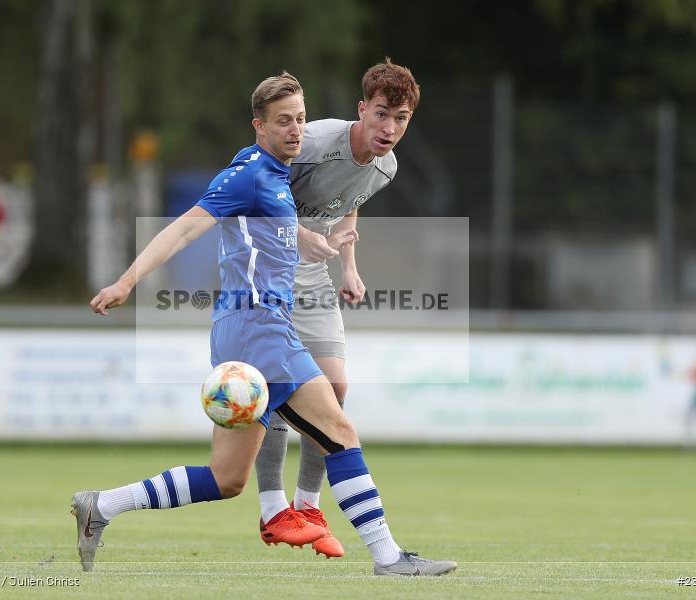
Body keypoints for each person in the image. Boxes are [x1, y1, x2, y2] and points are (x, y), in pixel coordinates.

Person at [73, 72, 455, 577]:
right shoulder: (250, 173)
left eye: (300, 118)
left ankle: (101, 506)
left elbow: (301, 224)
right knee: (338, 427)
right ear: (259, 126)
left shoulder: (277, 174)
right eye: (284, 122)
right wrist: (126, 282)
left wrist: (317, 247)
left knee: (227, 478)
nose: (297, 129)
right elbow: (186, 227)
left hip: (248, 326)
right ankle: (387, 556)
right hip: (259, 325)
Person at [254, 58, 420, 559]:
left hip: (313, 273)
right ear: (362, 109)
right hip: (266, 270)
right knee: (285, 393)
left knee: (336, 390)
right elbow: (257, 180)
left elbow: (351, 199)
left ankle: (307, 506)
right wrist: (299, 233)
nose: (390, 128)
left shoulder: (386, 164)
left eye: (402, 118)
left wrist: (349, 264)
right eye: (382, 115)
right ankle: (273, 506)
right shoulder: (316, 142)